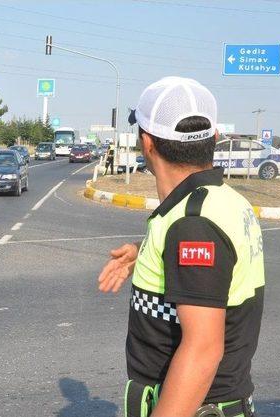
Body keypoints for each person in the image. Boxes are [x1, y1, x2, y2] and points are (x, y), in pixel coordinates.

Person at [97, 77, 264, 417]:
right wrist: (143, 250)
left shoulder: (192, 222)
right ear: (214, 139)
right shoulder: (223, 201)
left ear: (147, 144)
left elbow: (202, 350)